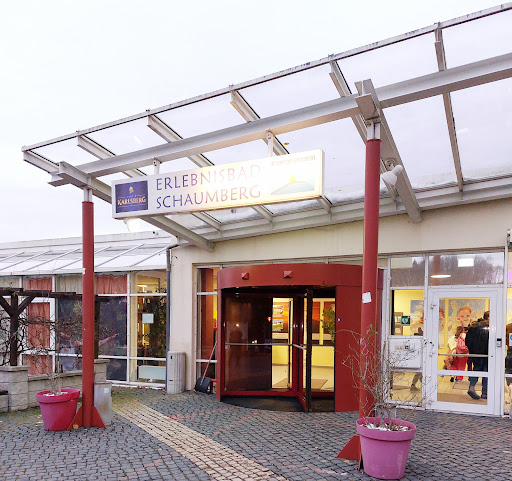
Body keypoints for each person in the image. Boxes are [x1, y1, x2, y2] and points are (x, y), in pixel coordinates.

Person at [465, 311, 489, 400]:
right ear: (489, 317)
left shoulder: (474, 327)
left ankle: (471, 386)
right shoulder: (489, 328)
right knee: (486, 372)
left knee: (476, 369)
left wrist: (472, 350)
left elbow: (467, 341)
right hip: (487, 354)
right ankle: (485, 393)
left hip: (476, 354)